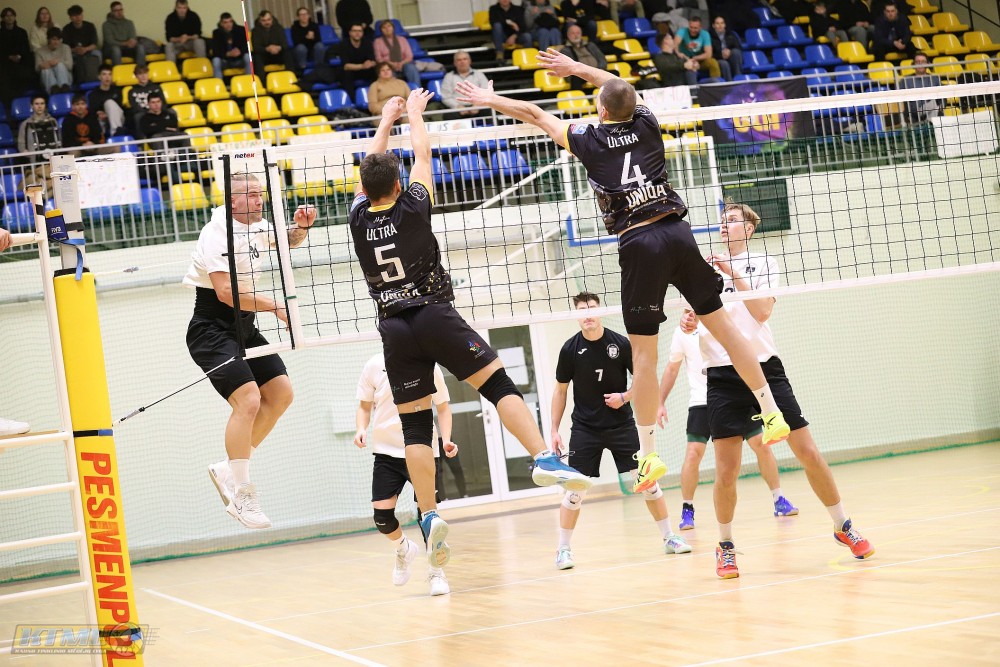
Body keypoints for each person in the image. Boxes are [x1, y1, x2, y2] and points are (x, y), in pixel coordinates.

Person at [456, 49, 792, 498]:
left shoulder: (587, 138)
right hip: (677, 232)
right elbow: (619, 86)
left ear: (600, 110)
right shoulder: (647, 121)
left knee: (644, 356)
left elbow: (535, 114)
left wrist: (487, 99)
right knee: (728, 329)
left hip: (639, 243)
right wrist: (578, 68)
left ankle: (648, 454)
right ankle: (770, 411)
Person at [348, 91, 591, 569]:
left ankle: (429, 513)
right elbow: (422, 155)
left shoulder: (357, 218)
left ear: (367, 188)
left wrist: (385, 121)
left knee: (415, 426)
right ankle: (543, 457)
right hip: (433, 313)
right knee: (497, 384)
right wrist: (412, 114)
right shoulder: (412, 206)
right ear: (398, 185)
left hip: (393, 327)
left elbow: (368, 174)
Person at [680, 202, 874, 578]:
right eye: (722, 221)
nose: (724, 225)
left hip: (765, 368)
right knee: (726, 470)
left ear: (749, 229)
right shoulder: (701, 268)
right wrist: (689, 321)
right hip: (721, 376)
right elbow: (694, 317)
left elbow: (762, 311)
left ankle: (843, 525)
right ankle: (725, 547)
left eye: (732, 220)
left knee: (808, 451)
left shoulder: (763, 262)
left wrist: (731, 272)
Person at [182, 173, 315, 529]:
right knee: (249, 400)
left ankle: (228, 468)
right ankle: (242, 492)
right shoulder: (215, 233)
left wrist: (302, 227)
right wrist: (275, 306)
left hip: (244, 327)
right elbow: (225, 293)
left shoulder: (256, 225)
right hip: (211, 330)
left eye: (260, 194)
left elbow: (287, 240)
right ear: (233, 201)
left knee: (281, 393)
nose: (259, 200)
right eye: (252, 195)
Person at [551, 292, 691, 570]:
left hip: (621, 425)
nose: (588, 314)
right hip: (585, 429)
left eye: (592, 308)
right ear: (576, 315)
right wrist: (554, 430)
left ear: (600, 311)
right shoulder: (569, 349)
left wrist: (625, 397)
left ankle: (669, 537)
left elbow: (644, 379)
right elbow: (560, 390)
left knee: (649, 483)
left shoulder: (620, 343)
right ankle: (563, 549)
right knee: (575, 492)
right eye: (582, 310)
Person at [657, 322, 798, 531]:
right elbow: (671, 368)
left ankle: (778, 499)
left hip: (734, 396)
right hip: (702, 401)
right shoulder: (681, 333)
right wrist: (660, 402)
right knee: (694, 453)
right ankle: (687, 509)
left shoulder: (722, 321)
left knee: (761, 444)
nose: (690, 313)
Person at [355, 352, 455, 596]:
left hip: (422, 449)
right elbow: (364, 406)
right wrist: (361, 428)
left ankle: (436, 573)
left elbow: (443, 407)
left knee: (428, 516)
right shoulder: (373, 365)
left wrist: (446, 439)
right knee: (382, 518)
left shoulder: (428, 365)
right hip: (386, 453)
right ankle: (403, 549)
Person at [1, 8, 37, 106]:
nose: (9, 18)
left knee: (26, 73)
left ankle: (23, 103)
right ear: (3, 18)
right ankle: (9, 106)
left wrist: (19, 56)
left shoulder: (22, 32)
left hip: (21, 61)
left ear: (15, 17)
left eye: (11, 15)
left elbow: (26, 49)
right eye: (7, 16)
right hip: (5, 63)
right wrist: (9, 57)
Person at [103, 2, 157, 66]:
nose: (119, 12)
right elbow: (110, 41)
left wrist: (132, 42)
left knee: (140, 47)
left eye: (121, 10)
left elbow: (133, 36)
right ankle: (118, 71)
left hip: (127, 48)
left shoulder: (129, 23)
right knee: (116, 49)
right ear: (112, 12)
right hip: (112, 48)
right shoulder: (106, 25)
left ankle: (140, 70)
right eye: (116, 11)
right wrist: (125, 43)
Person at [372, 19, 419, 88]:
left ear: (393, 28)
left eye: (389, 26)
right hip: (388, 65)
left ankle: (417, 90)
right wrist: (391, 64)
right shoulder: (377, 42)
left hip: (403, 63)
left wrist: (401, 63)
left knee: (411, 68)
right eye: (384, 27)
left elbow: (409, 56)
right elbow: (378, 59)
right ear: (381, 30)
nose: (387, 29)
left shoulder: (402, 39)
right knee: (387, 71)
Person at [441, 51, 489, 117]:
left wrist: (477, 105)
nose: (462, 62)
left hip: (477, 106)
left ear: (470, 61)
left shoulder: (479, 74)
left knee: (488, 111)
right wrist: (457, 106)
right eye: (459, 60)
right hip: (457, 108)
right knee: (448, 115)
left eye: (465, 59)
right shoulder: (448, 76)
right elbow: (446, 97)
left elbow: (486, 92)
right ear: (455, 63)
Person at [559, 24, 607, 91]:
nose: (576, 35)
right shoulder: (565, 50)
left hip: (597, 71)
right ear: (568, 35)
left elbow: (602, 59)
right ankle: (578, 96)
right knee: (575, 79)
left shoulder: (591, 45)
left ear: (581, 34)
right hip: (580, 75)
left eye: (578, 33)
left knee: (614, 73)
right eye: (573, 33)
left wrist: (600, 69)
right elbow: (568, 67)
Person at [897, 52, 941, 123]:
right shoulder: (905, 80)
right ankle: (928, 123)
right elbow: (898, 97)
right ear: (913, 64)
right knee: (935, 106)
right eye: (918, 62)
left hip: (932, 109)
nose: (920, 64)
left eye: (923, 61)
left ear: (927, 64)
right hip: (913, 111)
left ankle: (928, 123)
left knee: (936, 106)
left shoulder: (934, 79)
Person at [336, 22, 377, 96]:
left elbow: (373, 61)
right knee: (346, 74)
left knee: (376, 71)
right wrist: (362, 66)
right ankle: (352, 100)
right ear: (350, 33)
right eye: (354, 31)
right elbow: (346, 66)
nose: (357, 33)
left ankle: (377, 97)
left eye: (360, 31)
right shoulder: (343, 44)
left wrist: (370, 63)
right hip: (351, 71)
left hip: (365, 70)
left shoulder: (367, 42)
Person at [675, 16, 720, 81]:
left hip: (699, 60)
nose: (692, 30)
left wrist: (694, 58)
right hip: (685, 60)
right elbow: (675, 45)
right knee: (689, 68)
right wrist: (679, 53)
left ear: (700, 28)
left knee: (713, 63)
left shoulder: (705, 34)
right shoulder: (682, 31)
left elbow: (708, 54)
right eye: (691, 27)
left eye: (695, 28)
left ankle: (717, 84)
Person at [63, 6, 101, 83]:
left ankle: (99, 77)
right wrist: (75, 50)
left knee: (98, 53)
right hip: (74, 52)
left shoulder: (90, 26)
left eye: (79, 15)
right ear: (70, 18)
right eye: (74, 15)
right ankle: (73, 81)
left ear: (82, 15)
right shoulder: (66, 29)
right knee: (67, 57)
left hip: (89, 50)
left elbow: (94, 44)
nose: (78, 18)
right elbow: (65, 47)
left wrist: (85, 49)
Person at [90, 64, 127, 137]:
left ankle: (116, 133)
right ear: (99, 77)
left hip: (118, 117)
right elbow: (93, 111)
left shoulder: (117, 91)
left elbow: (119, 109)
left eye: (109, 74)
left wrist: (108, 113)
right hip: (102, 119)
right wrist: (99, 114)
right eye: (104, 74)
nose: (107, 77)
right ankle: (101, 138)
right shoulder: (93, 94)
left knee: (109, 102)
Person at [211, 12, 251, 80]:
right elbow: (215, 51)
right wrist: (227, 54)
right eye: (225, 22)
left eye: (230, 21)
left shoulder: (241, 30)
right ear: (221, 23)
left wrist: (240, 52)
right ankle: (219, 83)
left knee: (248, 57)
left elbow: (246, 46)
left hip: (239, 59)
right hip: (225, 61)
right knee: (216, 60)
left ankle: (250, 81)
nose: (228, 24)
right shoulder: (217, 33)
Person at [127, 65, 163, 136]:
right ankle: (142, 140)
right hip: (143, 114)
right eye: (140, 74)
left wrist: (156, 110)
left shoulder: (156, 88)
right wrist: (149, 112)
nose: (143, 76)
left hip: (158, 111)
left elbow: (163, 102)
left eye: (145, 73)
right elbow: (134, 107)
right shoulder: (132, 91)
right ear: (136, 76)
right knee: (138, 116)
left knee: (172, 111)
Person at [35, 27, 73, 94]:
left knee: (59, 65)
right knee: (45, 69)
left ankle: (64, 88)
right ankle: (53, 90)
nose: (56, 42)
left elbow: (70, 66)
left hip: (65, 77)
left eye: (58, 39)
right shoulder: (39, 51)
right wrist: (46, 64)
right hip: (47, 79)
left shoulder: (66, 48)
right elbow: (37, 69)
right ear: (48, 39)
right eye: (54, 39)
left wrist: (58, 62)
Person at [290, 6, 326, 71]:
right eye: (301, 15)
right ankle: (302, 69)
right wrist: (306, 38)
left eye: (306, 14)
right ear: (298, 17)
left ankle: (319, 68)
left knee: (320, 46)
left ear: (309, 15)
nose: (304, 16)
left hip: (313, 51)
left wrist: (313, 38)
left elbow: (319, 40)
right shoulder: (294, 27)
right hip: (300, 52)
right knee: (301, 48)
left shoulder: (314, 25)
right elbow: (296, 42)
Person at [709, 15, 741, 81]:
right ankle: (729, 83)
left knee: (736, 52)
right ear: (713, 25)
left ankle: (738, 78)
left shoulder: (731, 34)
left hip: (730, 56)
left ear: (725, 25)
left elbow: (738, 47)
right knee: (724, 64)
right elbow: (710, 54)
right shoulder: (709, 36)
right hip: (718, 58)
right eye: (717, 23)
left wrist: (729, 51)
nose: (720, 25)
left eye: (722, 23)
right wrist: (721, 55)